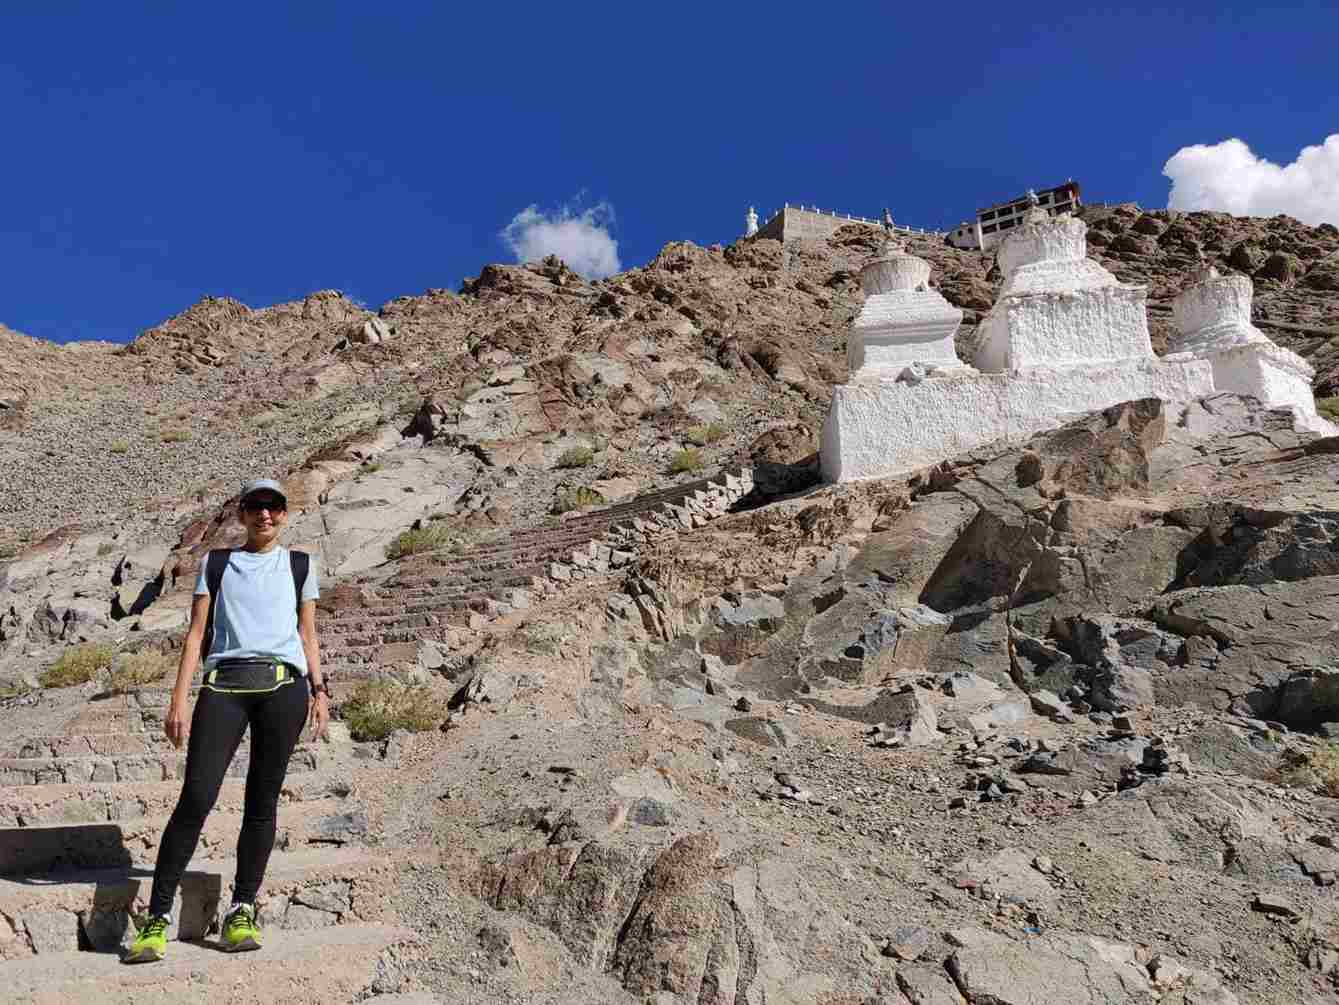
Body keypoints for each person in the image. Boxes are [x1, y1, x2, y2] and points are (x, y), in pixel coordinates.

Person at [124, 479, 329, 963]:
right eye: (256, 507)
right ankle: (155, 919)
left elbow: (308, 634)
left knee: (262, 801)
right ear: (241, 513)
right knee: (196, 797)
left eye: (274, 508)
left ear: (284, 513)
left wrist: (320, 691)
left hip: (284, 689)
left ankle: (242, 908)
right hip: (224, 688)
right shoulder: (216, 563)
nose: (265, 516)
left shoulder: (300, 565)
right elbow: (195, 636)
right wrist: (178, 699)